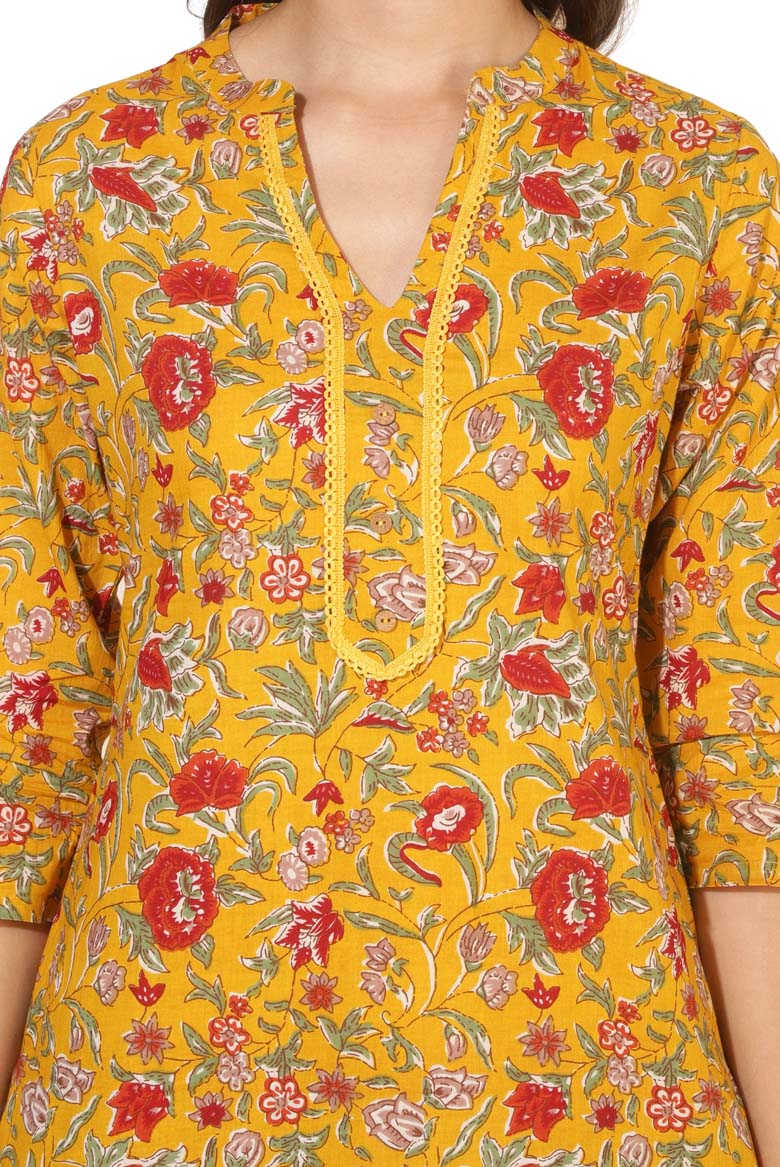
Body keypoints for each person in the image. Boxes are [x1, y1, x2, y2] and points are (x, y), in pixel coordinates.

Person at [0, 0, 778, 1161]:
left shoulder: (693, 178)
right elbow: (25, 710)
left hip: (593, 1083)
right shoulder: (90, 175)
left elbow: (743, 726)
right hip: (154, 1080)